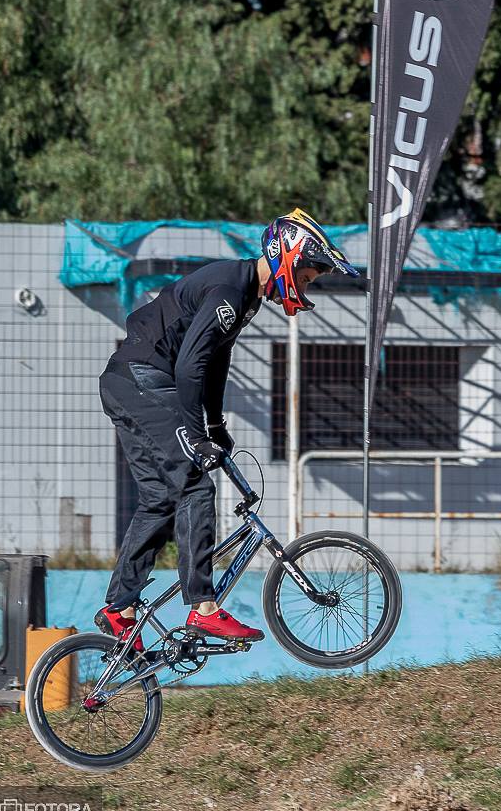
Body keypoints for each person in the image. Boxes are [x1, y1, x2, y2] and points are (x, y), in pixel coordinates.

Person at [94, 208, 359, 651]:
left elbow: (214, 361)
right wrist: (196, 436)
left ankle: (119, 609)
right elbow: (189, 364)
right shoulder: (229, 290)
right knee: (196, 487)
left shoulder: (244, 292)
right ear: (288, 259)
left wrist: (213, 425)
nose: (307, 287)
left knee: (162, 498)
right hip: (144, 379)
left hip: (125, 383)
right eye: (308, 277)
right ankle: (203, 608)